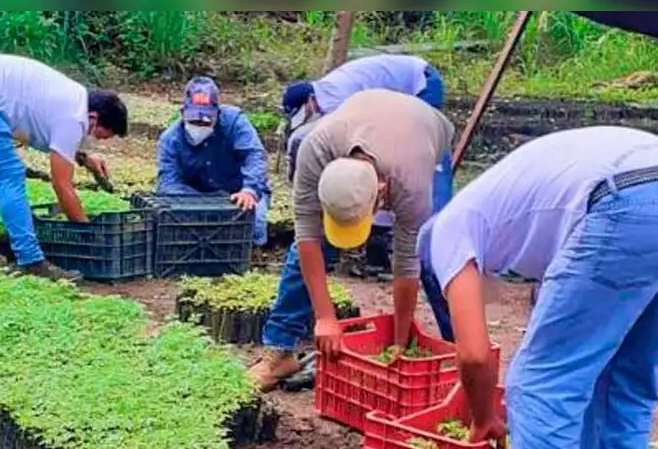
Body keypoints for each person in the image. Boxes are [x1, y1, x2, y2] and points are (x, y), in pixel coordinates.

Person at [418, 126, 658, 449]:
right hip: (650, 183)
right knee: (626, 375)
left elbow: (473, 353)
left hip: (622, 199)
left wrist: (483, 417)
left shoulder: (447, 230)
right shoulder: (499, 206)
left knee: (541, 385)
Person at [248, 89, 453, 390]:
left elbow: (405, 263)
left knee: (437, 252)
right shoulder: (314, 151)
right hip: (364, 117)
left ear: (381, 193)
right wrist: (325, 318)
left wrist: (399, 341)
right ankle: (279, 350)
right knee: (305, 248)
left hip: (426, 131)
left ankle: (460, 353)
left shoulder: (411, 182)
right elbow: (307, 236)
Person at [0, 53, 129, 283]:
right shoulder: (75, 117)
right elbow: (62, 185)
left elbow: (47, 136)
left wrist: (83, 158)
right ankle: (31, 261)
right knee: (9, 173)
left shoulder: (69, 97)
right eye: (99, 135)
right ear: (93, 117)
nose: (94, 139)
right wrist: (87, 233)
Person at [282, 54, 454, 278]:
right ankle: (378, 251)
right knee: (360, 178)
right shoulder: (326, 128)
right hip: (381, 111)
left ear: (309, 101)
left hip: (421, 83)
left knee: (425, 216)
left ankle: (435, 256)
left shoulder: (334, 99)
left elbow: (367, 165)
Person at [156, 77, 271, 246]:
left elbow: (254, 156)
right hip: (195, 196)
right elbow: (168, 183)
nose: (200, 125)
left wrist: (249, 190)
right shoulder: (170, 139)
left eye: (206, 120)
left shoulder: (235, 122)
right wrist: (206, 206)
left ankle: (252, 254)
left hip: (239, 192)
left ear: (218, 113)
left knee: (254, 228)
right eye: (194, 120)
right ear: (183, 113)